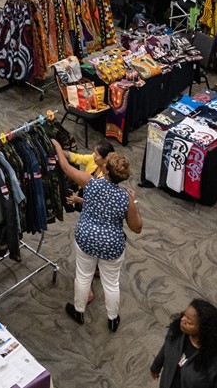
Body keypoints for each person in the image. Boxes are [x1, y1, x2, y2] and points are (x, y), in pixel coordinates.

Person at [52, 139, 141, 332]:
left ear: (105, 170)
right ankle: (112, 318)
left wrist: (58, 147)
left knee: (83, 276)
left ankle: (79, 311)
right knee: (111, 283)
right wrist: (134, 203)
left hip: (86, 238)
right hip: (112, 245)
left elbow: (66, 168)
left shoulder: (91, 183)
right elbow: (137, 228)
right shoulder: (126, 198)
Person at [149, 299, 217, 388]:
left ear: (203, 329)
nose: (182, 320)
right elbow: (167, 347)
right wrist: (156, 365)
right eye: (184, 315)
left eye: (189, 322)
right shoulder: (176, 333)